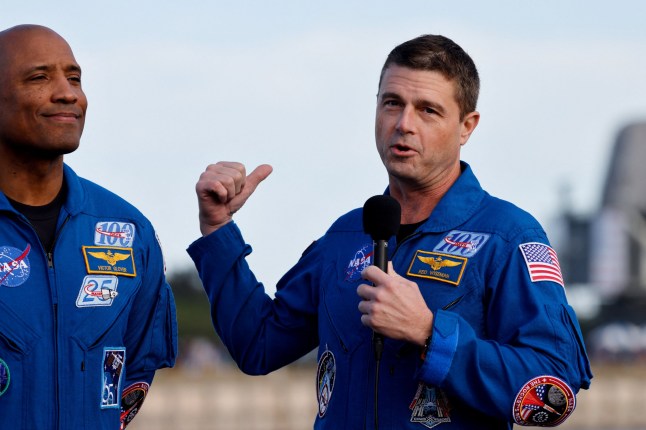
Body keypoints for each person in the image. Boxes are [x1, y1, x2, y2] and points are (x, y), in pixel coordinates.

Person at [187, 34, 592, 429]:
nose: (403, 124)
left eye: (428, 110)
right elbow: (258, 345)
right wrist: (218, 229)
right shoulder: (345, 236)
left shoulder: (507, 237)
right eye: (392, 103)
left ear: (466, 126)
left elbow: (554, 391)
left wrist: (430, 334)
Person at [0, 24, 177, 429]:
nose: (68, 93)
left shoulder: (130, 231)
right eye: (39, 77)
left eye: (74, 78)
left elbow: (136, 370)